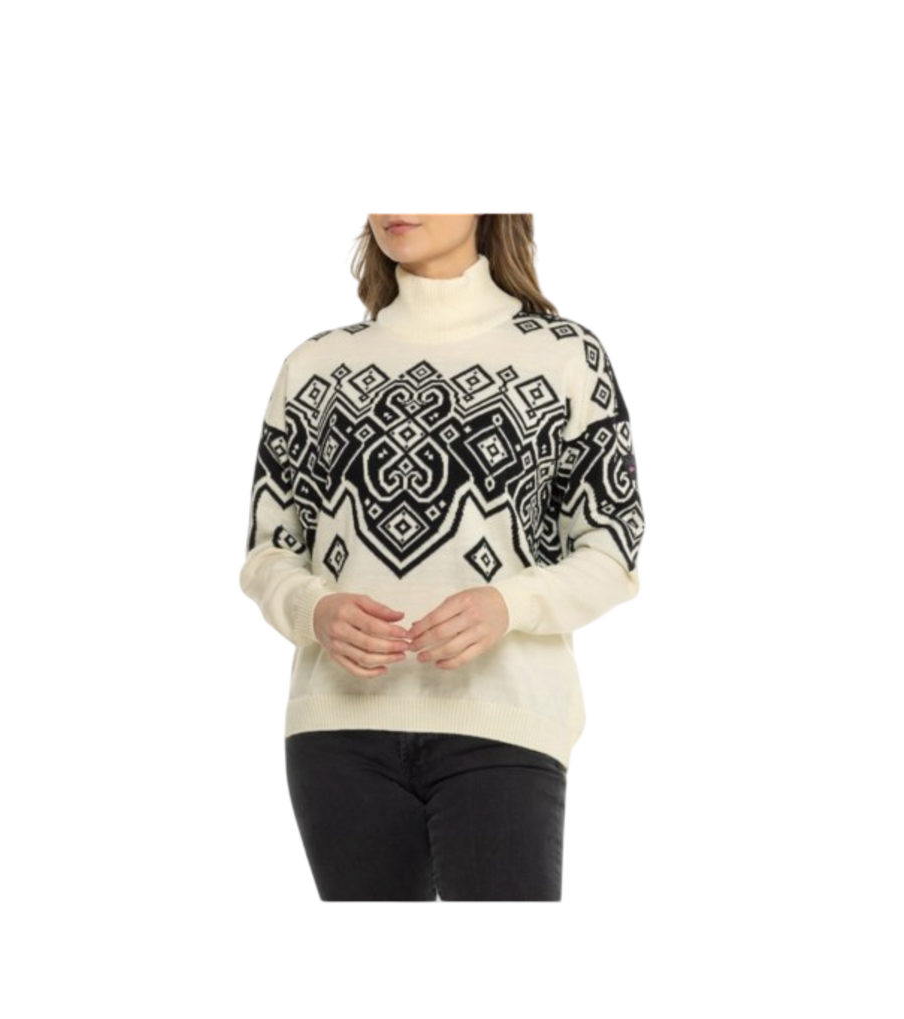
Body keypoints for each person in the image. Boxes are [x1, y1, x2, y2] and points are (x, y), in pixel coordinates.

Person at [240, 214, 644, 901]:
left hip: (505, 721)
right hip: (337, 730)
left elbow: (612, 550)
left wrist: (509, 604)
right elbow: (268, 551)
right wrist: (314, 609)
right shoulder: (314, 366)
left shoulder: (564, 355)